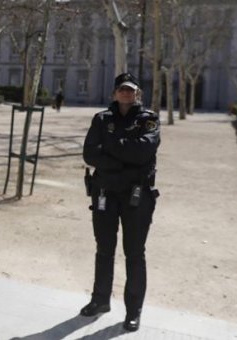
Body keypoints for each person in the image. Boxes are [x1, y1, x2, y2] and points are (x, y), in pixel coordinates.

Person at [80, 72, 160, 332]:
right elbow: (90, 154)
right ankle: (100, 300)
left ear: (137, 93)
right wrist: (124, 157)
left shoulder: (149, 119)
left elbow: (144, 151)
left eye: (131, 90)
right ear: (114, 93)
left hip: (136, 196)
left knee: (134, 253)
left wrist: (111, 148)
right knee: (104, 249)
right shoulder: (101, 119)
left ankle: (133, 311)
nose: (126, 93)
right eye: (121, 89)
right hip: (104, 193)